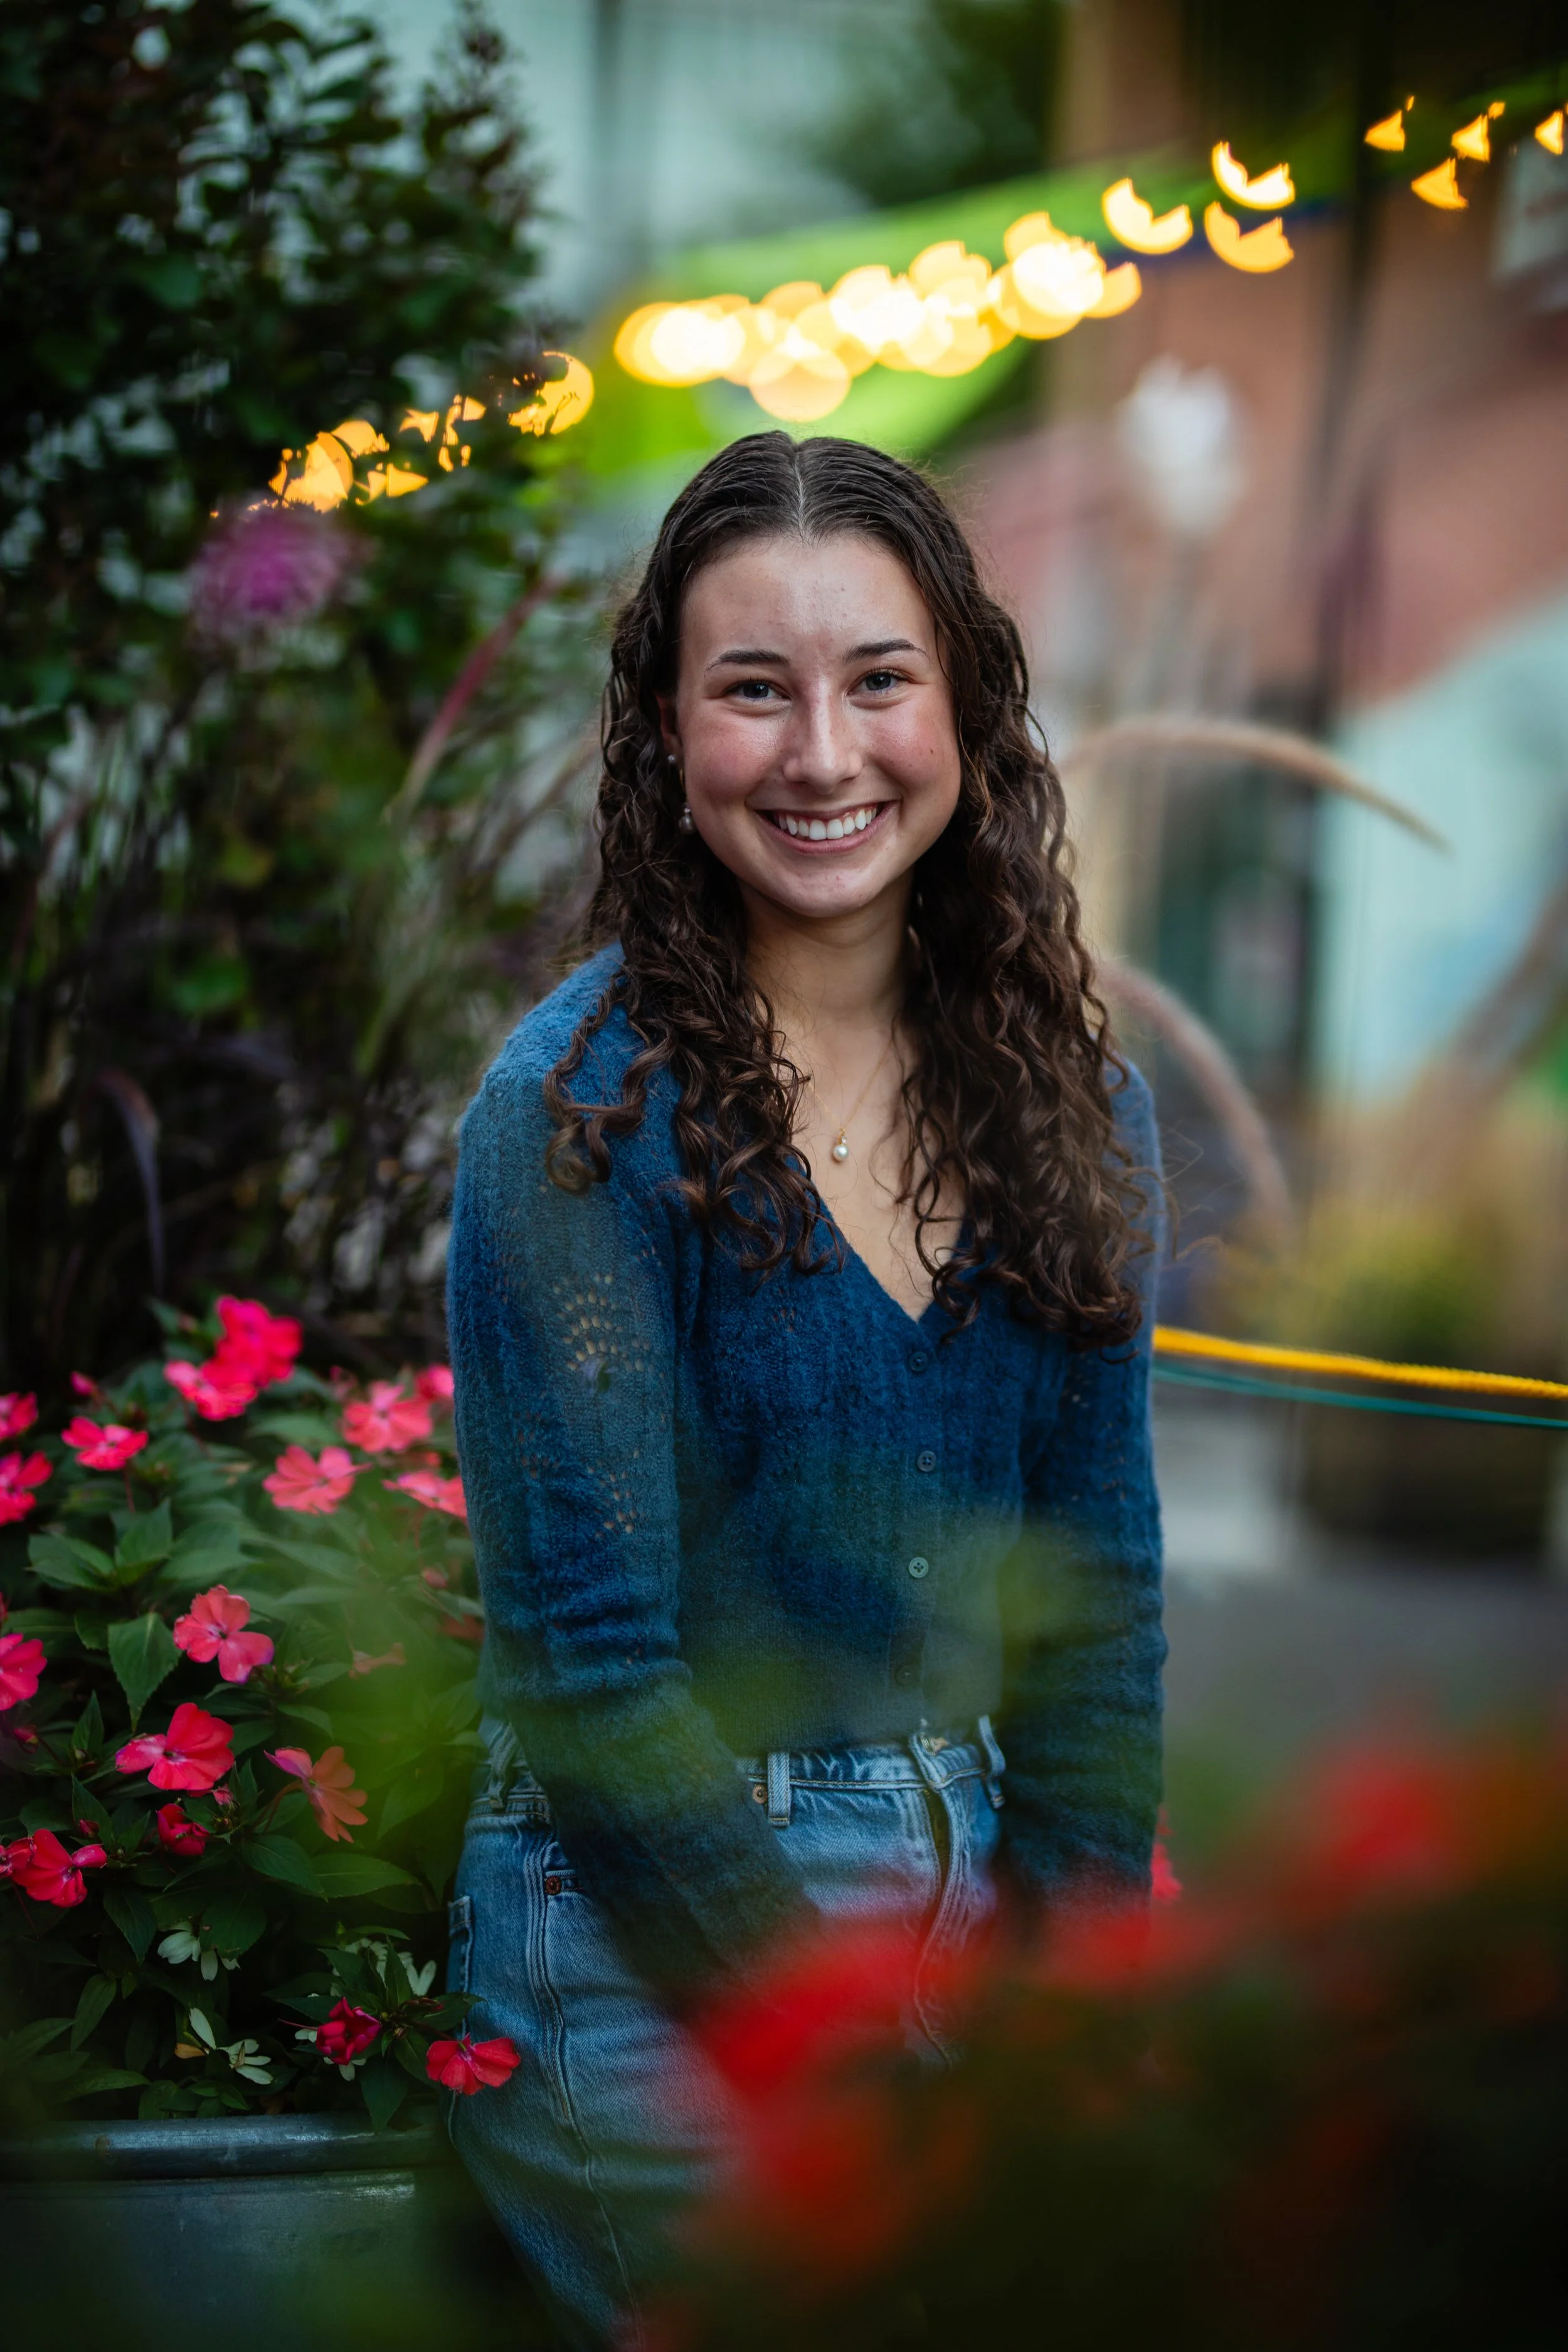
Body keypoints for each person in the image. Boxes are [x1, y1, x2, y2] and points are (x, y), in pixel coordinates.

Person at [445, 431, 1165, 2348]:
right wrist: (852, 2078)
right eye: (752, 688)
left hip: (980, 1898)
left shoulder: (1076, 1111)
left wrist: (1065, 2011)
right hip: (654, 1936)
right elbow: (592, 1671)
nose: (822, 753)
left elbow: (1093, 1602)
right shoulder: (575, 1118)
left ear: (965, 705)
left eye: (877, 679)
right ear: (666, 736)